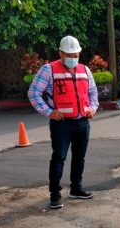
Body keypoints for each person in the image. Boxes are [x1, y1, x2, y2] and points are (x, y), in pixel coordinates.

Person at [28, 36, 99, 210]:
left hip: (82, 122)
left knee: (79, 157)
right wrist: (48, 112)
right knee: (59, 158)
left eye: (76, 55)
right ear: (60, 53)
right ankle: (55, 194)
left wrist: (92, 108)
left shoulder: (85, 70)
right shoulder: (48, 70)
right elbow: (34, 93)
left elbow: (93, 93)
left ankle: (76, 188)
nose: (73, 58)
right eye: (69, 54)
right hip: (62, 124)